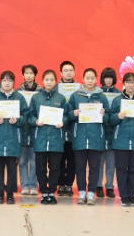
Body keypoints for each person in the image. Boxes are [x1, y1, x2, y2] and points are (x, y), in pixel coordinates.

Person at [107, 73, 134, 207]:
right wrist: (117, 116)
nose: (130, 84)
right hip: (121, 140)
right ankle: (124, 196)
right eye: (128, 82)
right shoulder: (117, 100)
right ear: (124, 83)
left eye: (133, 82)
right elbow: (110, 120)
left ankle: (132, 196)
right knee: (121, 169)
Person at [0, 71, 28, 205]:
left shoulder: (19, 97)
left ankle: (10, 194)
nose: (7, 83)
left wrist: (18, 120)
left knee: (11, 169)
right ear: (1, 82)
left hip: (13, 139)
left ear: (13, 82)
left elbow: (26, 115)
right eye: (4, 80)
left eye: (10, 80)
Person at [68, 69, 108, 205]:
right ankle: (81, 193)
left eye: (92, 78)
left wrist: (104, 114)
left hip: (96, 138)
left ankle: (91, 193)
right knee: (80, 167)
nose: (90, 80)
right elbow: (68, 115)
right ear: (83, 79)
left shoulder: (102, 97)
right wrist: (73, 113)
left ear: (96, 79)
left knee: (94, 167)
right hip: (79, 138)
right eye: (87, 78)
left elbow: (108, 117)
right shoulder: (75, 96)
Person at [31, 70, 71, 205]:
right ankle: (44, 192)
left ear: (55, 81)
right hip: (40, 138)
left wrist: (62, 122)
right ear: (42, 81)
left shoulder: (61, 98)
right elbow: (30, 115)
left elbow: (66, 116)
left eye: (51, 80)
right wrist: (35, 121)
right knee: (40, 168)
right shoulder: (36, 97)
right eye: (46, 79)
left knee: (55, 168)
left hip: (56, 139)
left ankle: (52, 192)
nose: (49, 82)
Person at [55, 61, 78, 197]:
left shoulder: (79, 90)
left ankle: (69, 185)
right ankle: (60, 184)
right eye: (65, 70)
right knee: (58, 160)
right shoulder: (55, 89)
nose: (68, 72)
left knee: (71, 160)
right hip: (57, 130)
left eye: (70, 70)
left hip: (73, 131)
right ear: (61, 73)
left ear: (74, 72)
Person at [17, 64, 40, 196]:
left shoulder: (41, 92)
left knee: (35, 160)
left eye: (31, 73)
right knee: (22, 160)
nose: (29, 75)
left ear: (35, 75)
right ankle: (24, 185)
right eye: (26, 73)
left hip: (37, 129)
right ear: (23, 75)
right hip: (22, 130)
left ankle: (33, 185)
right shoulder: (17, 92)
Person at [97, 67, 120, 199]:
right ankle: (98, 186)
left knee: (111, 163)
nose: (108, 80)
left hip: (114, 132)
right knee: (98, 162)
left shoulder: (119, 94)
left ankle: (110, 187)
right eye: (106, 77)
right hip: (99, 131)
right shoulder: (97, 93)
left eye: (111, 77)